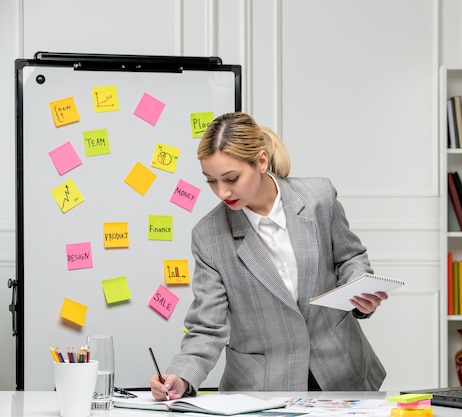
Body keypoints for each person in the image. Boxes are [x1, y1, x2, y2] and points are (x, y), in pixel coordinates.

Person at [150, 112, 388, 398]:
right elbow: (207, 326)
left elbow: (351, 258)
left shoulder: (318, 198)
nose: (222, 192)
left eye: (231, 178)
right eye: (211, 181)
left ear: (261, 161)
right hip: (263, 388)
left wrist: (359, 291)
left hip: (342, 373)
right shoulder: (208, 236)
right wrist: (183, 376)